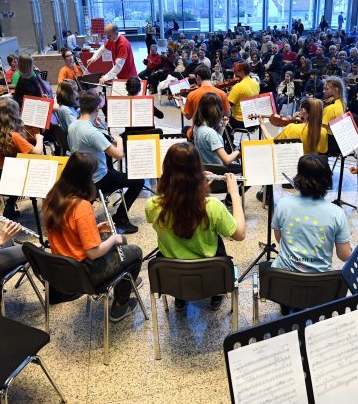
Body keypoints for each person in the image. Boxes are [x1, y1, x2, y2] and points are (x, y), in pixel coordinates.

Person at [43, 151, 143, 318]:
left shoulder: (53, 196)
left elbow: (67, 231)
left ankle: (125, 282)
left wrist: (94, 229)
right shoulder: (81, 206)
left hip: (64, 266)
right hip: (85, 270)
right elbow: (93, 252)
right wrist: (113, 239)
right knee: (134, 251)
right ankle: (121, 305)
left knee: (122, 242)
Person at [146, 142, 245, 310]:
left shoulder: (152, 205)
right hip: (209, 274)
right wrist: (234, 194)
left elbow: (179, 207)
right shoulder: (212, 206)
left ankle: (180, 296)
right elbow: (240, 234)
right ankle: (216, 292)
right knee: (217, 241)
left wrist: (197, 188)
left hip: (172, 275)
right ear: (197, 171)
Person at [271, 154, 351, 291]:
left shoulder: (283, 204)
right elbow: (344, 256)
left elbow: (279, 239)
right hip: (319, 285)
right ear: (328, 180)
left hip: (283, 281)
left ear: (298, 177)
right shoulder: (337, 213)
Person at [67, 91, 142, 234]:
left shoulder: (74, 125)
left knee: (113, 169)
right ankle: (120, 217)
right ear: (97, 109)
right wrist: (119, 140)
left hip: (80, 176)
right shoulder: (92, 132)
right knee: (138, 181)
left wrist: (100, 130)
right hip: (98, 179)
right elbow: (119, 155)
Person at [0, 96, 43, 218]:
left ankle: (10, 203)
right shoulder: (13, 136)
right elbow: (37, 152)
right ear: (12, 115)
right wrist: (39, 138)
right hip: (12, 181)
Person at [259, 98, 328, 155]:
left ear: (303, 111)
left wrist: (262, 125)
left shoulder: (291, 128)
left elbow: (272, 141)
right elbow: (323, 150)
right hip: (310, 167)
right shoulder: (323, 131)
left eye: (300, 110)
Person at [192, 92, 239, 167]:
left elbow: (212, 142)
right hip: (217, 170)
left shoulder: (197, 127)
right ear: (216, 111)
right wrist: (238, 151)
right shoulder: (210, 133)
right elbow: (226, 160)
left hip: (204, 167)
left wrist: (222, 128)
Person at [181, 66, 229, 137]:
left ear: (198, 76)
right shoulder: (222, 93)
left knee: (184, 129)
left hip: (199, 132)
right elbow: (227, 114)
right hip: (217, 132)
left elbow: (188, 116)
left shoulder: (192, 94)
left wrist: (180, 101)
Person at [226, 61, 260, 130]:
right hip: (254, 120)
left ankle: (229, 140)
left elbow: (228, 105)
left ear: (242, 71)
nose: (234, 73)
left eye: (235, 71)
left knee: (221, 123)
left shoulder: (238, 86)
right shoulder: (255, 83)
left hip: (241, 121)